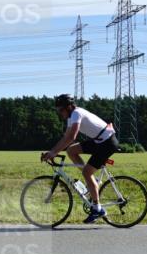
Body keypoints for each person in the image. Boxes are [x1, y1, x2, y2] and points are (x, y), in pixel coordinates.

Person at [41, 94, 119, 223]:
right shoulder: (71, 117)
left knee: (86, 172)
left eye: (61, 110)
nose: (59, 113)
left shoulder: (77, 114)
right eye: (58, 110)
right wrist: (52, 151)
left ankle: (98, 209)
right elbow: (65, 138)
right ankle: (93, 182)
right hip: (99, 140)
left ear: (69, 107)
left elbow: (72, 137)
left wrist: (54, 153)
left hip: (107, 143)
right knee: (71, 150)